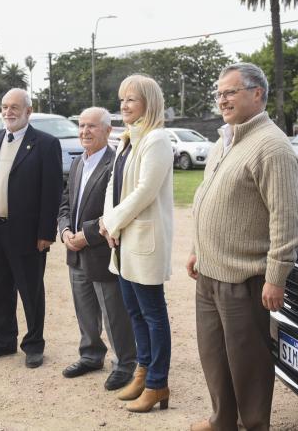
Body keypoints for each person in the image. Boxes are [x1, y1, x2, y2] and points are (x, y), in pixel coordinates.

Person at [186, 63, 298, 431]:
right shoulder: (226, 139)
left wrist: (276, 276)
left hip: (244, 280)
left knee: (248, 364)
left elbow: (286, 218)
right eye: (219, 93)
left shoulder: (272, 146)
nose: (222, 99)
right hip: (209, 274)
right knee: (214, 357)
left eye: (230, 92)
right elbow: (207, 199)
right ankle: (222, 421)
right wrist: (197, 250)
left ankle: (253, 425)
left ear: (257, 94)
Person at [98, 74, 174, 413]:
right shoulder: (127, 140)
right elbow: (113, 187)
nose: (124, 105)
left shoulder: (156, 139)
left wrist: (114, 221)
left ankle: (158, 383)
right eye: (122, 99)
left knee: (153, 314)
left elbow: (145, 191)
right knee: (134, 313)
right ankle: (142, 373)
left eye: (131, 99)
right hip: (122, 242)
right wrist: (105, 223)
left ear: (149, 103)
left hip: (143, 240)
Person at [0, 88, 62, 369]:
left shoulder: (45, 144)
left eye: (15, 107)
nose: (8, 112)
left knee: (30, 290)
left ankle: (34, 345)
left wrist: (46, 232)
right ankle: (3, 340)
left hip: (27, 233)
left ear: (28, 112)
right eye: (4, 107)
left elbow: (52, 191)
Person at [57, 107, 136, 391]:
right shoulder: (78, 162)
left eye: (91, 126)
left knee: (113, 311)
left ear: (107, 130)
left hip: (101, 250)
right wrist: (65, 230)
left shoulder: (116, 164)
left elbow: (117, 210)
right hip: (74, 250)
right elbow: (65, 202)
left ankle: (125, 363)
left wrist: (86, 235)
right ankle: (91, 355)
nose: (84, 132)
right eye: (81, 126)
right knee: (85, 310)